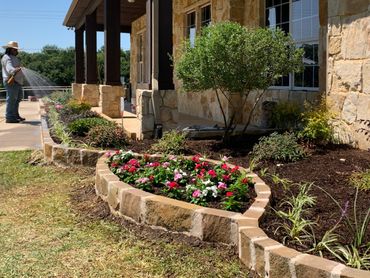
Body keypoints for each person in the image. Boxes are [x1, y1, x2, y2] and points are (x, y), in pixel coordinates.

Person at [1, 41, 25, 123]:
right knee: (11, 99)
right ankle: (9, 117)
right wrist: (16, 70)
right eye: (15, 49)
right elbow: (10, 69)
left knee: (18, 98)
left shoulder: (13, 57)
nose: (16, 51)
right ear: (10, 49)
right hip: (11, 81)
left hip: (17, 81)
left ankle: (15, 115)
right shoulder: (6, 57)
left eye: (16, 49)